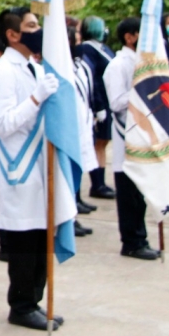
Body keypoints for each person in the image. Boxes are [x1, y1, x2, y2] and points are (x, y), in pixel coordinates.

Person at [0, 7, 67, 331]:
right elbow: (4, 124)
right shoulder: (1, 73)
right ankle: (21, 306)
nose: (38, 30)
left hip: (40, 168)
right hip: (18, 170)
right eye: (31, 25)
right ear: (13, 34)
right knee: (23, 244)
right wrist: (36, 97)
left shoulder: (35, 67)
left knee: (41, 239)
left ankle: (35, 300)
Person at [104, 18, 161, 260]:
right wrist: (142, 93)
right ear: (130, 37)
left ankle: (141, 238)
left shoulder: (142, 63)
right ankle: (131, 242)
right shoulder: (117, 66)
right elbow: (116, 102)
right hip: (126, 137)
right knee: (129, 195)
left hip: (143, 136)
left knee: (140, 194)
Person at [78, 15, 117, 199]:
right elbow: (93, 78)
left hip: (109, 100)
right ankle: (97, 183)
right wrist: (98, 106)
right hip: (99, 101)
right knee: (97, 143)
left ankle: (101, 181)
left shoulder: (104, 48)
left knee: (103, 142)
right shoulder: (87, 49)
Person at [68, 24, 97, 235]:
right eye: (76, 41)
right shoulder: (59, 67)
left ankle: (74, 211)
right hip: (71, 127)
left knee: (78, 170)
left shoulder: (80, 66)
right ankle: (68, 218)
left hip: (83, 122)